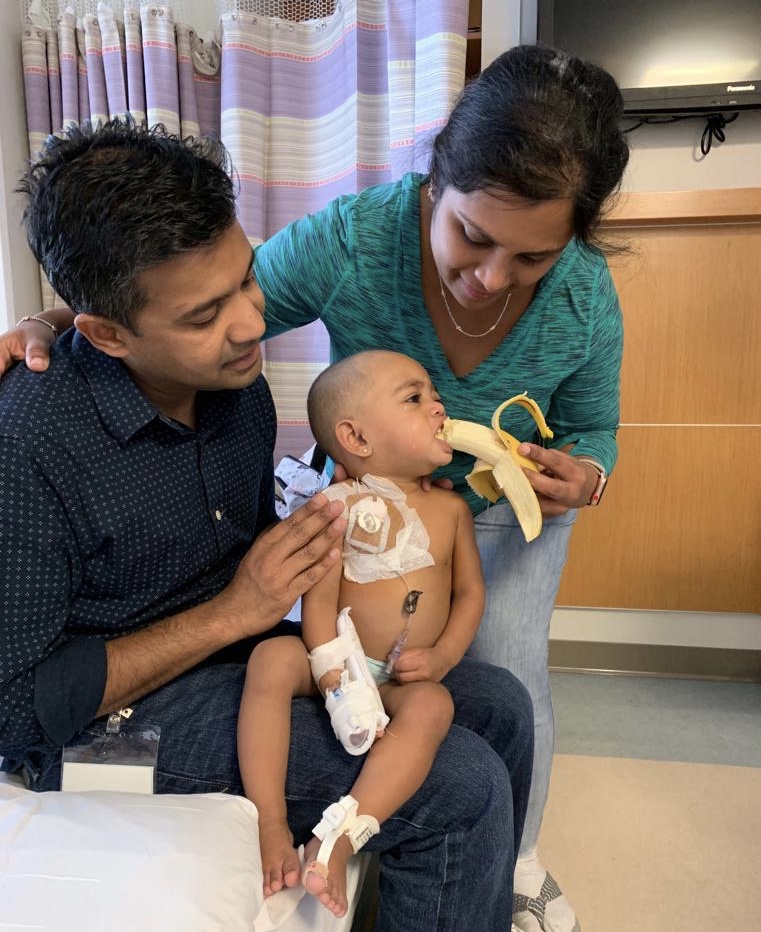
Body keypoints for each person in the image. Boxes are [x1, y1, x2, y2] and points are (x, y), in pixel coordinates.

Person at [0, 43, 629, 932]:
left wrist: (317, 640)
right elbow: (12, 710)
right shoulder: (29, 443)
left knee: (500, 705)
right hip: (109, 722)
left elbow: (273, 590)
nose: (255, 323)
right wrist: (235, 615)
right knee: (459, 787)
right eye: (203, 314)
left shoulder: (235, 386)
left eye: (247, 281)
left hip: (238, 655)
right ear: (104, 333)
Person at [238, 349, 484, 917]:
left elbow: (471, 595)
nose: (439, 406)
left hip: (397, 677)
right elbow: (317, 604)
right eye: (416, 397)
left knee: (433, 707)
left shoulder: (452, 514)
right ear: (357, 437)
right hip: (338, 663)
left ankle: (343, 833)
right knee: (272, 659)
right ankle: (269, 821)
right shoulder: (334, 508)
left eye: (434, 395)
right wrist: (332, 677)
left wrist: (445, 655)